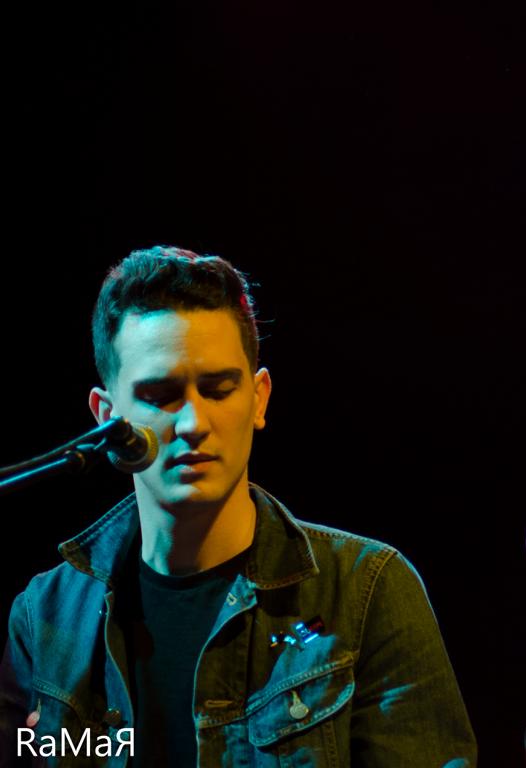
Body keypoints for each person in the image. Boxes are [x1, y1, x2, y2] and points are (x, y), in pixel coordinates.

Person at [0, 247, 476, 766]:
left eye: (218, 390)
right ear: (106, 416)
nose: (192, 424)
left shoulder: (367, 590)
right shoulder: (44, 617)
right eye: (160, 396)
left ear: (259, 398)